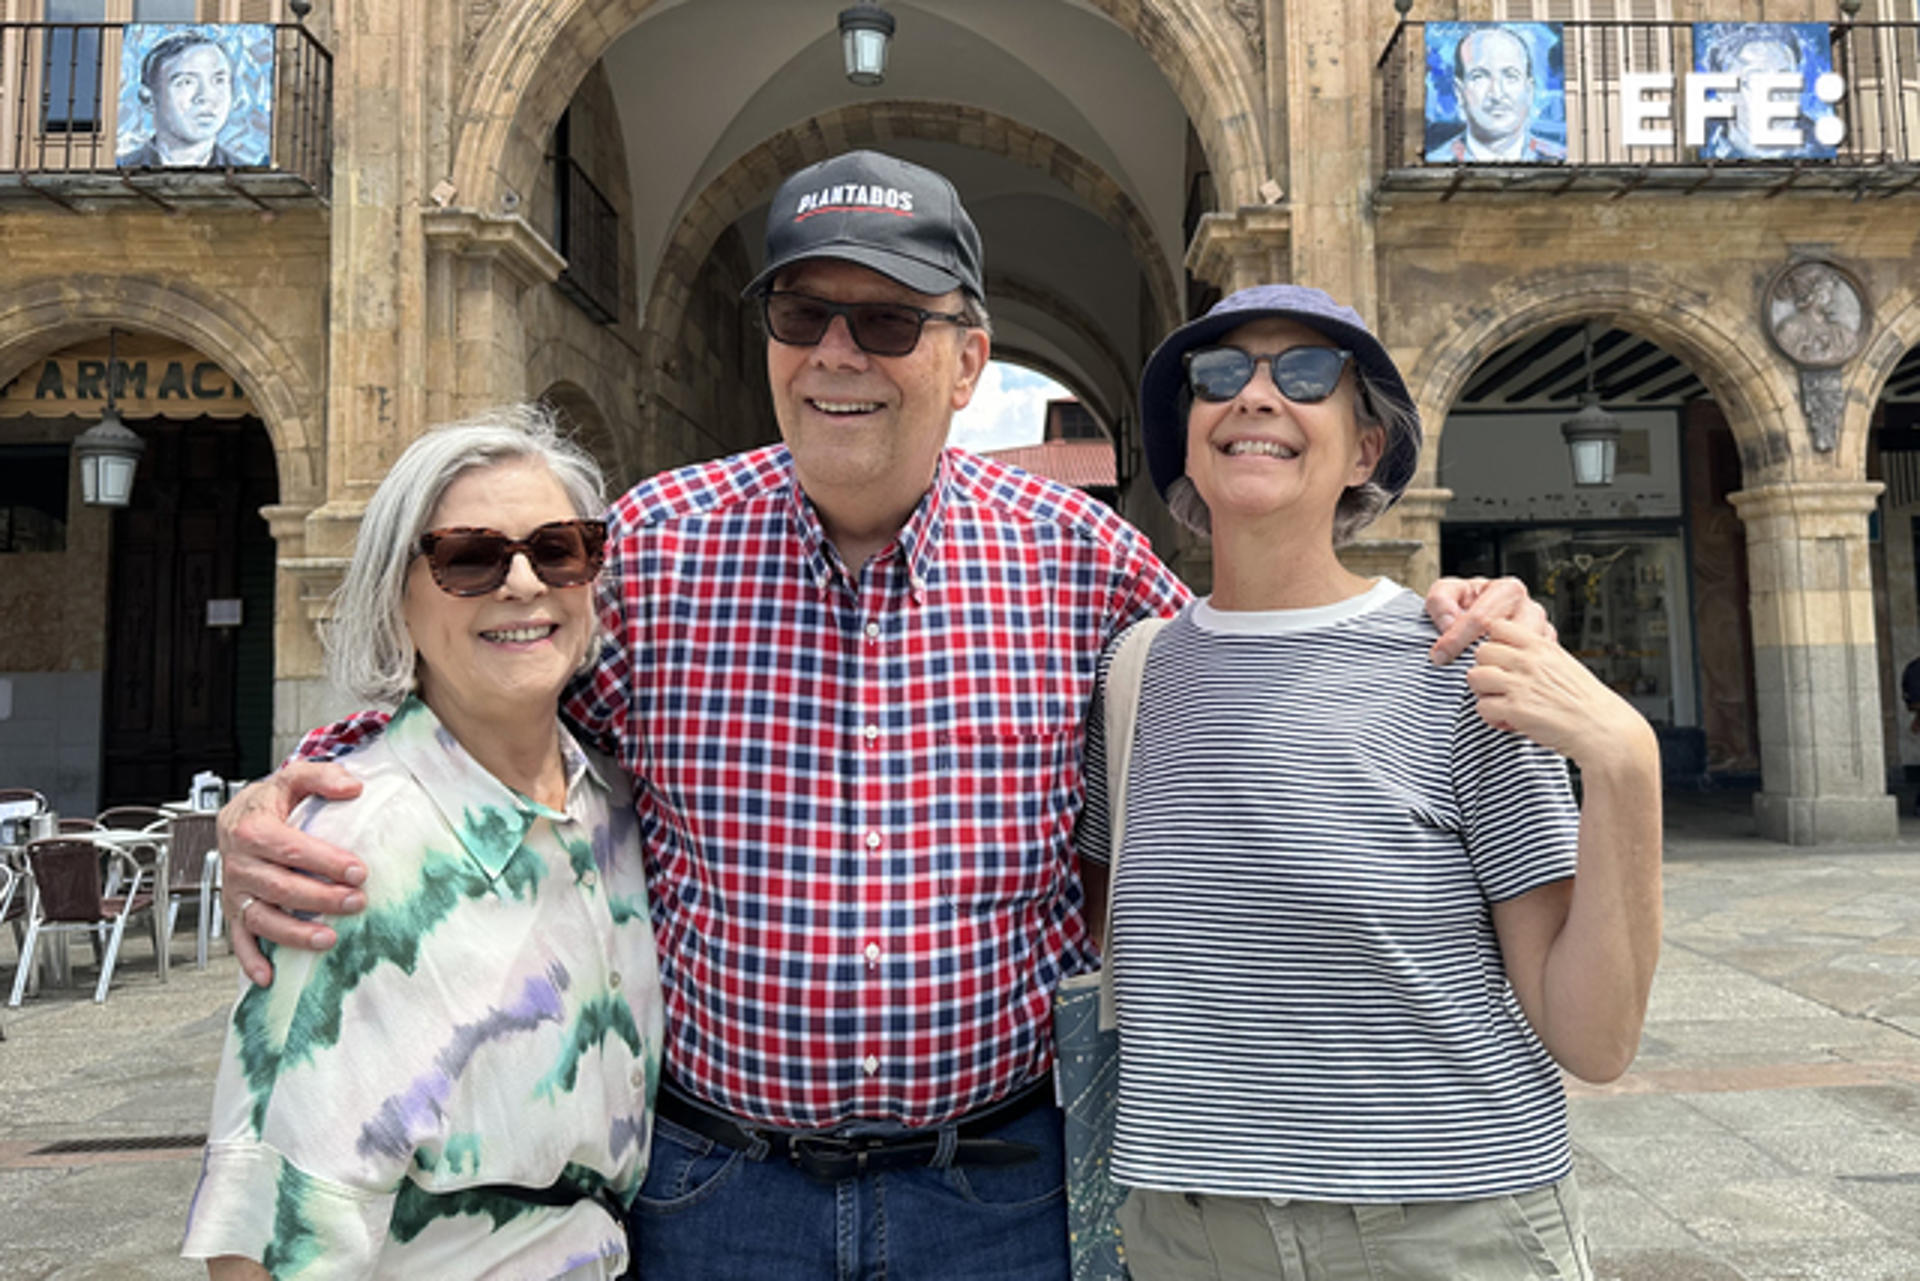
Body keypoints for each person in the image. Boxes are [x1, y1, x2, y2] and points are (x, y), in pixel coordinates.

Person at [214, 150, 1550, 1281]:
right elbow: (484, 687)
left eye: (889, 321)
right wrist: (304, 790)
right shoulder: (654, 548)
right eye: (804, 316)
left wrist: (1451, 618)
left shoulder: (1082, 563)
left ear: (968, 359)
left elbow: (1249, 666)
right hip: (714, 1191)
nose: (838, 351)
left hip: (1000, 1193)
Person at [1084, 284, 1663, 1278]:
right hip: (1188, 1236)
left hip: (1445, 1230)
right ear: (1186, 437)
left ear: (1363, 450)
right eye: (1220, 375)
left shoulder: (1460, 661)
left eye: (1306, 374)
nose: (1257, 396)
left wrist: (1626, 763)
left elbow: (1593, 1038)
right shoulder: (1135, 675)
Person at [181, 409, 664, 1279]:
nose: (523, 583)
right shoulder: (347, 857)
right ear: (396, 596)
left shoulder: (618, 806)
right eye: (469, 558)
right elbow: (265, 1240)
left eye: (559, 549)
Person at [1427, 25, 1566, 163]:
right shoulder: (1436, 161)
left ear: (1529, 91)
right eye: (1479, 76)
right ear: (1459, 92)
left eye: (1510, 76)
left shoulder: (1559, 159)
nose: (1496, 94)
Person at [118, 31, 243, 169]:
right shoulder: (125, 168)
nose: (205, 96)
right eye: (186, 82)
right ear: (148, 98)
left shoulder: (245, 174)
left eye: (219, 80)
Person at [1697, 24, 1815, 161]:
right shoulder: (1704, 140)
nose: (1776, 95)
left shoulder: (1821, 141)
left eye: (1785, 78)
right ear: (1724, 92)